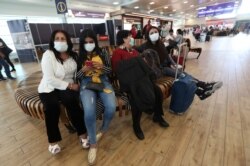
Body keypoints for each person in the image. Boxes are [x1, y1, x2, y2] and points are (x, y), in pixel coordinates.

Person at [136, 26, 223, 100]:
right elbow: (135, 50)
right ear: (148, 35)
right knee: (182, 75)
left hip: (167, 66)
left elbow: (167, 56)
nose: (154, 34)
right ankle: (204, 87)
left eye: (155, 32)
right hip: (160, 70)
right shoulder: (144, 46)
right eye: (151, 33)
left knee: (183, 74)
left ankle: (201, 91)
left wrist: (174, 64)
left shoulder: (160, 44)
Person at [111, 30, 169, 140]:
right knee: (136, 99)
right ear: (124, 39)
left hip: (142, 80)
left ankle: (158, 116)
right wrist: (136, 61)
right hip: (130, 83)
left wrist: (137, 61)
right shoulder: (117, 52)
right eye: (129, 37)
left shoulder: (133, 51)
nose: (131, 38)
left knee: (157, 91)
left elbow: (142, 64)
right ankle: (136, 125)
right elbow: (117, 68)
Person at [38, 30, 88, 155]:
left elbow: (77, 74)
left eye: (63, 38)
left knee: (72, 102)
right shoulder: (48, 54)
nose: (60, 41)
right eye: (57, 38)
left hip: (67, 87)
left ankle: (82, 134)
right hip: (49, 87)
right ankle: (53, 141)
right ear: (53, 41)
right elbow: (49, 78)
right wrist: (70, 86)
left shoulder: (73, 55)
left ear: (68, 41)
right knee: (51, 107)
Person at [77, 29, 116, 165]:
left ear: (95, 41)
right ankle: (93, 144)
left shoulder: (103, 52)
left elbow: (110, 71)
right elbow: (76, 76)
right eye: (86, 42)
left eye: (91, 41)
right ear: (82, 43)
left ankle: (103, 130)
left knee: (111, 107)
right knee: (89, 111)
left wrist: (102, 67)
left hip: (103, 80)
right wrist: (83, 71)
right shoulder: (79, 55)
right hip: (86, 83)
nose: (89, 44)